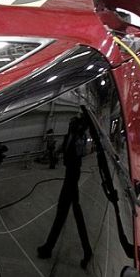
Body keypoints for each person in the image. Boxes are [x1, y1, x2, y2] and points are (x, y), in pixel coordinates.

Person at [37, 114, 94, 269]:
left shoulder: (79, 136)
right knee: (69, 211)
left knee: (66, 211)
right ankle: (51, 247)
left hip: (73, 174)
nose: (70, 125)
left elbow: (78, 152)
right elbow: (66, 147)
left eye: (72, 123)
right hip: (71, 172)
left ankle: (50, 248)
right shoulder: (72, 135)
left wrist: (78, 130)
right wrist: (59, 151)